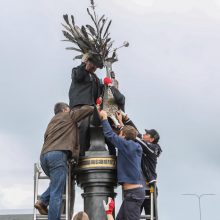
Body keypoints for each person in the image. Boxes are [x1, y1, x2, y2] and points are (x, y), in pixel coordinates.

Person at [34, 102, 94, 220]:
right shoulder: (68, 115)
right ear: (65, 109)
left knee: (57, 184)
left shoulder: (51, 122)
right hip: (58, 155)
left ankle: (42, 201)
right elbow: (86, 110)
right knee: (57, 193)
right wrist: (94, 106)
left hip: (44, 157)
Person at [69, 54, 125, 155]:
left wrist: (111, 85)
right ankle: (80, 154)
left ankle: (112, 153)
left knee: (104, 125)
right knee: (84, 126)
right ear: (87, 62)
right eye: (93, 65)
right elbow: (78, 76)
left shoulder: (94, 78)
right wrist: (83, 63)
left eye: (96, 67)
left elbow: (102, 90)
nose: (94, 68)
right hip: (80, 106)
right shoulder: (77, 70)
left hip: (92, 108)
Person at [99, 110, 145, 220]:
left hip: (133, 195)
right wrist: (120, 121)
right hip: (131, 194)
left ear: (123, 136)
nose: (118, 135)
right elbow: (127, 133)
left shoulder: (127, 146)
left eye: (120, 134)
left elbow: (110, 135)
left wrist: (104, 118)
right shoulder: (132, 145)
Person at [115, 111, 162, 216]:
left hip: (149, 186)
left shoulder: (153, 148)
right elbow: (135, 133)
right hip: (141, 186)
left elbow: (134, 136)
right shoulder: (145, 144)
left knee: (150, 214)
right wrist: (125, 120)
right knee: (134, 215)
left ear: (152, 139)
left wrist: (123, 128)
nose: (143, 134)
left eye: (146, 134)